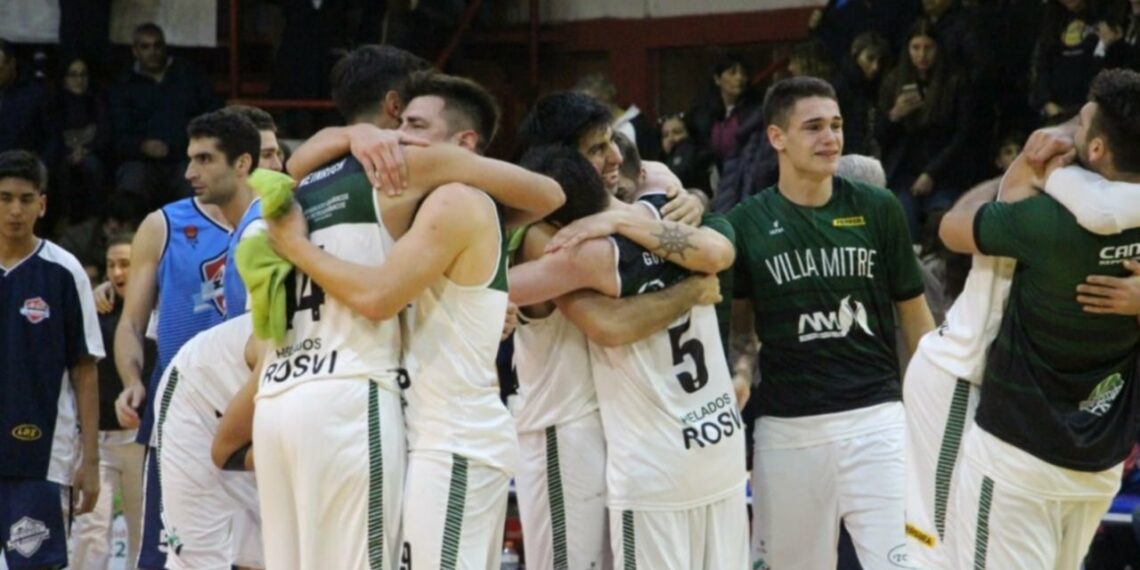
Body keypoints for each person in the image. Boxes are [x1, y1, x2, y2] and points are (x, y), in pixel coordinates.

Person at [231, 48, 564, 570]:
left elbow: (378, 294)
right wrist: (350, 137)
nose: (402, 135)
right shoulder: (395, 184)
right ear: (388, 109)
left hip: (448, 435)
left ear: (463, 145)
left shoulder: (308, 185)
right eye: (401, 121)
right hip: (382, 415)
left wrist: (339, 147)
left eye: (417, 124)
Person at [904, 127, 1140, 568]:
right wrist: (1021, 169)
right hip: (961, 374)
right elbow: (953, 229)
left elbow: (953, 223)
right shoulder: (1049, 204)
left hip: (1016, 403)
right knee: (936, 547)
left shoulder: (1084, 199)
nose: (1061, 134)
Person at [728, 76, 934, 570]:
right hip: (787, 430)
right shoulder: (746, 223)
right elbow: (741, 330)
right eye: (815, 127)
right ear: (778, 137)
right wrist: (738, 373)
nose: (831, 139)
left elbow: (914, 314)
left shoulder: (878, 208)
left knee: (910, 561)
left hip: (877, 420)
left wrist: (931, 402)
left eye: (837, 126)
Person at [509, 141, 747, 568]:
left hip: (655, 467)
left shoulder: (587, 255)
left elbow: (606, 326)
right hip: (720, 442)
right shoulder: (665, 211)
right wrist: (692, 282)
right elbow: (720, 252)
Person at [113, 141, 232, 570]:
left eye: (204, 159)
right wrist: (132, 380)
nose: (190, 171)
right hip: (179, 408)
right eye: (192, 159)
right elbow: (130, 323)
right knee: (167, 557)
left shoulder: (281, 220)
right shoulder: (164, 224)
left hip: (253, 407)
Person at [0, 149, 103, 569]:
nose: (14, 209)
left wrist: (91, 460)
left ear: (42, 204)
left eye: (26, 199)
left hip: (41, 456)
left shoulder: (65, 271)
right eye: (4, 197)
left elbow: (85, 368)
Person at [154, 314, 263, 570]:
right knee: (200, 561)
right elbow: (225, 450)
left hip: (268, 418)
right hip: (198, 397)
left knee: (268, 554)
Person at [71, 232, 150, 570]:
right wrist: (88, 297)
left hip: (142, 442)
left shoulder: (158, 309)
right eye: (111, 265)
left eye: (126, 265)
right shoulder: (95, 309)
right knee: (90, 532)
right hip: (97, 442)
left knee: (143, 534)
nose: (118, 273)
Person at [877, 18, 980, 242]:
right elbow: (880, 138)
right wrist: (894, 115)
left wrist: (932, 173)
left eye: (928, 48)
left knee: (943, 224)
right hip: (905, 174)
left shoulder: (955, 82)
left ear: (938, 49)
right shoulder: (893, 81)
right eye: (916, 48)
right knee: (902, 222)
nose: (922, 55)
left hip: (946, 173)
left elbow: (963, 136)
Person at [109, 23, 219, 210]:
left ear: (165, 47)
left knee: (197, 179)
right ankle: (130, 236)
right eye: (145, 47)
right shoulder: (123, 85)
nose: (152, 52)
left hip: (185, 157)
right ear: (135, 51)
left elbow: (213, 114)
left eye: (157, 45)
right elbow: (115, 135)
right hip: (141, 161)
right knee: (133, 178)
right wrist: (142, 146)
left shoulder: (188, 75)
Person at [47, 55, 112, 228]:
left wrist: (86, 150)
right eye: (73, 75)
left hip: (92, 153)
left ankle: (96, 220)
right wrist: (68, 153)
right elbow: (51, 135)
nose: (79, 80)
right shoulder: (54, 103)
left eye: (83, 75)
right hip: (62, 153)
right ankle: (62, 220)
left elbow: (105, 133)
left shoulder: (98, 100)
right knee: (58, 167)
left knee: (93, 165)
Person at [687, 54, 762, 171]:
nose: (739, 78)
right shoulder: (703, 113)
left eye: (743, 73)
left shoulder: (756, 111)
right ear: (717, 79)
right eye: (732, 73)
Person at [0, 40, 49, 156]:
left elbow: (50, 138)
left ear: (12, 64)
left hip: (21, 165)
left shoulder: (34, 95)